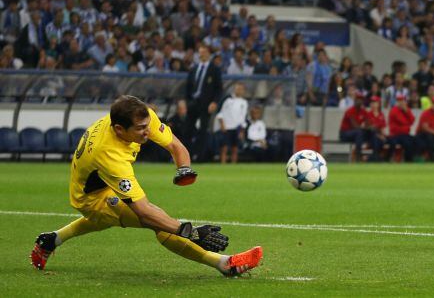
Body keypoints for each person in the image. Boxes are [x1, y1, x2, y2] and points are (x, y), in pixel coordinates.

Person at [30, 95, 262, 276]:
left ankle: (51, 239)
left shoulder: (141, 116)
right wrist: (190, 232)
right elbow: (144, 211)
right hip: (91, 199)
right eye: (140, 129)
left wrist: (183, 169)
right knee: (157, 222)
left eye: (146, 124)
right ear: (120, 130)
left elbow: (175, 146)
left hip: (102, 183)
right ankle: (224, 264)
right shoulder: (109, 155)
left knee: (126, 216)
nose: (147, 131)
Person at [185, 45, 223, 162]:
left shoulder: (214, 69)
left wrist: (214, 102)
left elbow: (219, 88)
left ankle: (200, 157)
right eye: (200, 52)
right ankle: (187, 156)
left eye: (204, 52)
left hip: (206, 104)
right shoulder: (194, 68)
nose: (201, 54)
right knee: (188, 130)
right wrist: (187, 101)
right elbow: (188, 86)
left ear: (208, 54)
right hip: (193, 103)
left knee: (203, 131)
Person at [216, 83, 249, 164]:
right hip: (227, 127)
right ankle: (223, 164)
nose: (239, 91)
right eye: (237, 89)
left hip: (237, 128)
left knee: (235, 148)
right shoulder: (228, 99)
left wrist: (242, 130)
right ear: (234, 89)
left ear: (243, 91)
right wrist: (222, 124)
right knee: (224, 147)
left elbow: (243, 117)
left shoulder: (244, 103)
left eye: (241, 89)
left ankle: (233, 165)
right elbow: (220, 113)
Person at [339, 92, 371, 162]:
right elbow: (355, 126)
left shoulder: (363, 111)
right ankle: (358, 155)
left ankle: (374, 156)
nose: (359, 101)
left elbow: (368, 124)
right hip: (345, 134)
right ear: (355, 100)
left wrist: (368, 127)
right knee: (359, 132)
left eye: (361, 99)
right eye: (358, 99)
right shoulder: (350, 111)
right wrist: (365, 127)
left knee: (371, 132)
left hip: (357, 134)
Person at [387, 95, 416, 162]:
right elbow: (402, 121)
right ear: (396, 102)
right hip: (395, 134)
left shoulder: (407, 110)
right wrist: (407, 123)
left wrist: (407, 112)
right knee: (395, 143)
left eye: (402, 101)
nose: (401, 103)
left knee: (413, 141)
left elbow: (412, 120)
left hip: (405, 134)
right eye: (399, 101)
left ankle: (409, 161)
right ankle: (388, 159)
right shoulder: (394, 110)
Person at [366, 95, 387, 162]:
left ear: (378, 104)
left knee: (387, 140)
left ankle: (376, 158)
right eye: (372, 102)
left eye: (375, 102)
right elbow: (370, 128)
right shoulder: (368, 114)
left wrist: (383, 136)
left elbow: (382, 128)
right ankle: (377, 158)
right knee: (375, 139)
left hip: (380, 137)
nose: (373, 104)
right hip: (370, 137)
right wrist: (380, 136)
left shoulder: (381, 115)